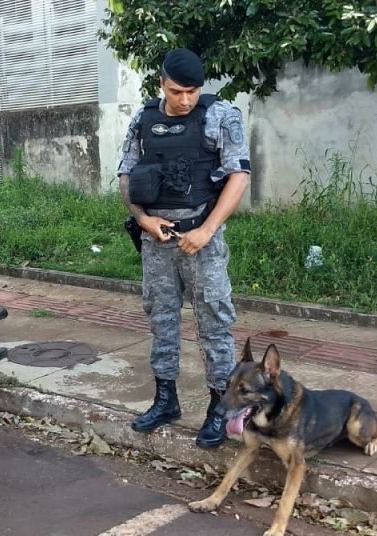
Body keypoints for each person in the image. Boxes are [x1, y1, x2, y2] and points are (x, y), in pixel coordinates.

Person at [117, 48, 251, 448]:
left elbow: (239, 176)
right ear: (162, 83)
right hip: (157, 241)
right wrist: (143, 219)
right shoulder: (143, 120)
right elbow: (126, 174)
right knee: (161, 319)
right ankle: (165, 400)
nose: (185, 100)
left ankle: (219, 407)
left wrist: (208, 230)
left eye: (192, 91)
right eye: (177, 91)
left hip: (201, 241)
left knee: (214, 321)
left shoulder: (220, 116)